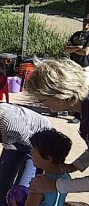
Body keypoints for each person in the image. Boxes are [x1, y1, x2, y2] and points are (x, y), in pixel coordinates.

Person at [26, 58, 89, 194]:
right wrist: (74, 166)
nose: (42, 104)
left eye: (42, 99)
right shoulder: (83, 109)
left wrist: (55, 185)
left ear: (59, 94)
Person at [9, 129, 71, 206]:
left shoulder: (39, 185)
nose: (31, 155)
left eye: (33, 152)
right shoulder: (65, 177)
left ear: (48, 158)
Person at [63, 15, 89, 124]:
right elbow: (65, 48)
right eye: (84, 22)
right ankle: (69, 109)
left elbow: (86, 52)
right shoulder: (76, 34)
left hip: (84, 66)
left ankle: (79, 115)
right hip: (72, 66)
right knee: (70, 88)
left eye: (88, 23)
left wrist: (73, 49)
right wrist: (77, 48)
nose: (86, 25)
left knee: (82, 91)